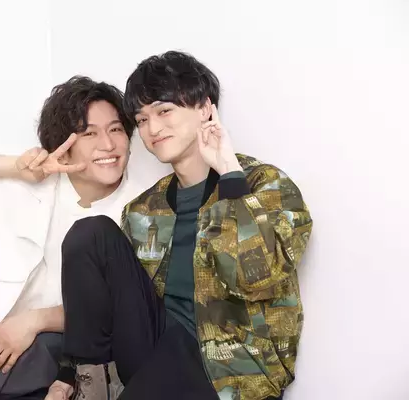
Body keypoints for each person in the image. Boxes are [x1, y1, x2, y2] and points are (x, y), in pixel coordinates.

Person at [44, 51, 313, 400]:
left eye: (164, 111)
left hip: (232, 366)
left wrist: (229, 175)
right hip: (155, 347)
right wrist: (66, 373)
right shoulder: (144, 209)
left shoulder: (267, 185)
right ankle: (88, 385)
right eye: (142, 119)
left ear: (204, 109)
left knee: (173, 360)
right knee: (91, 233)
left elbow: (255, 277)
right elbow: (112, 305)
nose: (152, 129)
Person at [0, 76, 167, 399]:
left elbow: (136, 309)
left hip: (75, 360)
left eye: (116, 129)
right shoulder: (22, 187)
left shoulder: (146, 209)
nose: (108, 145)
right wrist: (14, 167)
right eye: (89, 133)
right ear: (64, 145)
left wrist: (35, 322)